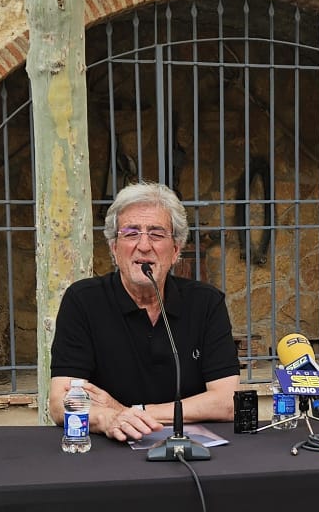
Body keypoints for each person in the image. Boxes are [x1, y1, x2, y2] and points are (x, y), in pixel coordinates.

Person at [49, 181, 241, 442]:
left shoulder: (206, 303)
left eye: (157, 233)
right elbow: (61, 402)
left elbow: (227, 402)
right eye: (130, 233)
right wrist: (108, 418)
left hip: (191, 450)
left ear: (175, 250)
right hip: (108, 451)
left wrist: (129, 412)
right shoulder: (82, 301)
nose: (144, 245)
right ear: (114, 249)